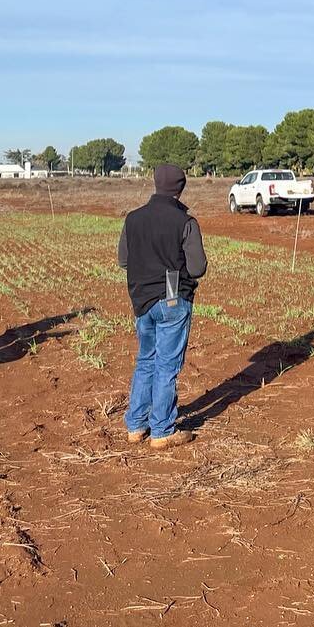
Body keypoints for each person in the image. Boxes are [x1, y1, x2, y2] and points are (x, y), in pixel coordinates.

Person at [118, 164, 207, 450]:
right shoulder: (185, 222)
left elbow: (123, 260)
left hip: (141, 300)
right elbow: (197, 267)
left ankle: (135, 425)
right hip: (172, 298)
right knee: (167, 365)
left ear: (155, 184)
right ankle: (162, 430)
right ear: (180, 188)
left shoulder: (132, 219)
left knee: (146, 360)